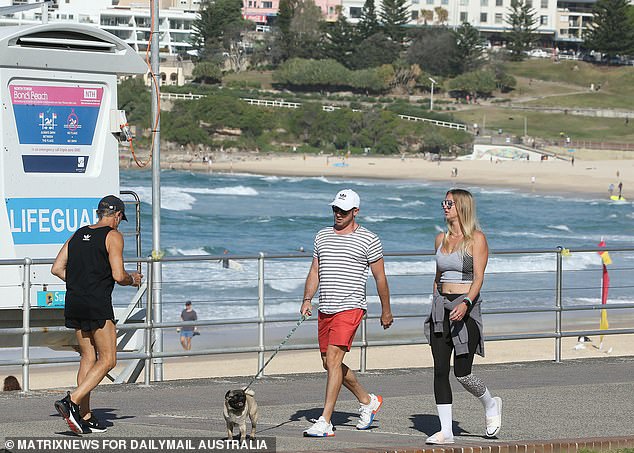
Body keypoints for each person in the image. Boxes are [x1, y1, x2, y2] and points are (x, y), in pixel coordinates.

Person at [301, 189, 393, 437]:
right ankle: (367, 400)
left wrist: (386, 310)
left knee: (333, 361)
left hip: (350, 307)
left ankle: (325, 421)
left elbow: (380, 277)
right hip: (326, 307)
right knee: (329, 363)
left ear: (355, 211)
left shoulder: (369, 239)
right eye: (335, 209)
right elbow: (315, 271)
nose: (338, 214)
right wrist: (307, 299)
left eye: (343, 210)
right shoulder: (322, 236)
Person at [51, 195, 143, 435]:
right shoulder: (113, 236)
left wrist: (80, 283)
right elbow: (118, 275)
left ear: (99, 213)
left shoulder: (78, 234)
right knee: (109, 359)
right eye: (121, 218)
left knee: (88, 357)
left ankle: (85, 415)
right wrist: (132, 279)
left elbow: (57, 268)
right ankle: (72, 400)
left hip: (75, 301)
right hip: (97, 304)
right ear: (118, 215)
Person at [424, 189, 501, 444]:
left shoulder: (476, 239)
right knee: (439, 370)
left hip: (465, 307)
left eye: (449, 203)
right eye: (444, 202)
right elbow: (438, 277)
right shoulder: (440, 239)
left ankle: (491, 404)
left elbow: (478, 277)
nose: (444, 206)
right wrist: (435, 302)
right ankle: (446, 431)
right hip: (441, 307)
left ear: (462, 207)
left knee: (463, 372)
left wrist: (466, 303)